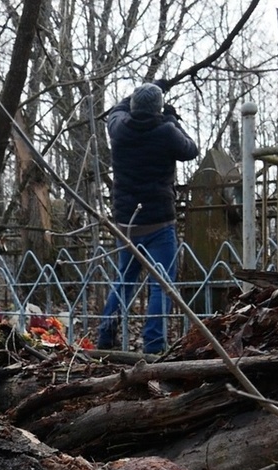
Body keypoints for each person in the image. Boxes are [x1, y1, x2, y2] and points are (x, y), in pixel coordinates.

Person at [96, 82, 198, 354]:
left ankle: (105, 336)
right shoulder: (166, 131)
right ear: (157, 109)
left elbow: (116, 110)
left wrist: (136, 97)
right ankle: (154, 344)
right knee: (161, 283)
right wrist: (172, 118)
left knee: (124, 280)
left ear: (133, 106)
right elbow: (191, 149)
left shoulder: (118, 128)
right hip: (159, 222)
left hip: (127, 223)